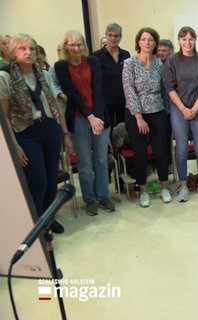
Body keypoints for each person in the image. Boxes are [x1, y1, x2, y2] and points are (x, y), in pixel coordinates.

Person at [0, 33, 72, 233]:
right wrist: (14, 146)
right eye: (22, 48)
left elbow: (55, 105)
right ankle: (36, 223)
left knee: (51, 179)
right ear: (14, 52)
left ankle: (49, 218)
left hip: (50, 130)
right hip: (26, 133)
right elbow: (4, 117)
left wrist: (65, 133)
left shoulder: (43, 74)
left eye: (31, 48)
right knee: (37, 181)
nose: (28, 52)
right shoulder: (5, 77)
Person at [55, 30, 115, 216]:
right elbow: (71, 94)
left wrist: (97, 117)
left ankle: (103, 195)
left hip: (100, 116)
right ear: (66, 46)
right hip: (79, 118)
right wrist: (90, 117)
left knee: (101, 160)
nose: (76, 48)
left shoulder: (93, 62)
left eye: (79, 44)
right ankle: (89, 198)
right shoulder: (61, 66)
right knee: (85, 163)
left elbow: (97, 89)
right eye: (72, 44)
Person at [162, 26, 198, 202]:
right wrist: (183, 109)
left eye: (191, 39)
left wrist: (194, 108)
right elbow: (169, 87)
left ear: (195, 41)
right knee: (182, 148)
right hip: (178, 109)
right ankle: (183, 185)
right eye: (184, 39)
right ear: (179, 41)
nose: (187, 42)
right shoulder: (171, 61)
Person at [122, 27, 171, 208]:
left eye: (151, 39)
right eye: (144, 39)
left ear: (155, 43)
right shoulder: (129, 63)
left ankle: (164, 187)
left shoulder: (160, 64)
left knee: (161, 151)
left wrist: (166, 110)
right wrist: (139, 117)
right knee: (140, 153)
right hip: (136, 114)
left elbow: (164, 89)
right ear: (138, 42)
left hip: (157, 111)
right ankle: (142, 190)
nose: (147, 42)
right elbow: (129, 91)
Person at [92, 23, 130, 129]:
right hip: (105, 100)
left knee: (123, 130)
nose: (113, 38)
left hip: (122, 99)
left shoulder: (126, 55)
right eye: (110, 35)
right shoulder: (96, 56)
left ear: (120, 37)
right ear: (106, 36)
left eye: (116, 36)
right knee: (106, 129)